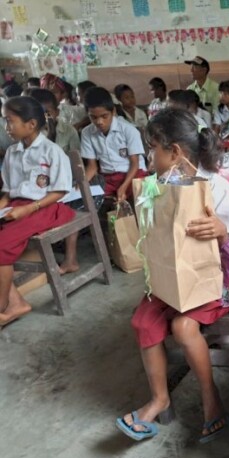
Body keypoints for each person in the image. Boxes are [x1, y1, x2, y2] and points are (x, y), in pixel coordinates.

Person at [116, 107, 229, 442]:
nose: (149, 158)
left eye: (153, 149)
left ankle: (212, 401)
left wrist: (222, 231)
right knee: (143, 322)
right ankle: (160, 398)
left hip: (216, 283)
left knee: (183, 326)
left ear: (174, 152)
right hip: (171, 282)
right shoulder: (159, 187)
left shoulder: (216, 187)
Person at [0, 97, 74, 326]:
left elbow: (60, 191)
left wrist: (28, 209)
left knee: (1, 244)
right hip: (19, 206)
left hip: (46, 206)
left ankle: (3, 305)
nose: (6, 127)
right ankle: (16, 303)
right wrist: (3, 206)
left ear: (31, 124)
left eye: (10, 121)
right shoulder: (12, 152)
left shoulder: (52, 151)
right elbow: (8, 194)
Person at [80, 87, 148, 203]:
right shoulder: (87, 133)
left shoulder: (128, 130)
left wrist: (123, 187)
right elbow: (92, 167)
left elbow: (135, 164)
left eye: (104, 116)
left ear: (113, 112)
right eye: (93, 117)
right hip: (108, 178)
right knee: (89, 198)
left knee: (139, 196)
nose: (99, 122)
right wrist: (82, 184)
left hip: (133, 174)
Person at [28, 88, 80, 154]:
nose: (42, 117)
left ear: (57, 112)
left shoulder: (69, 131)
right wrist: (50, 136)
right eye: (37, 113)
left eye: (47, 113)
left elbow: (75, 158)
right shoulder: (27, 133)